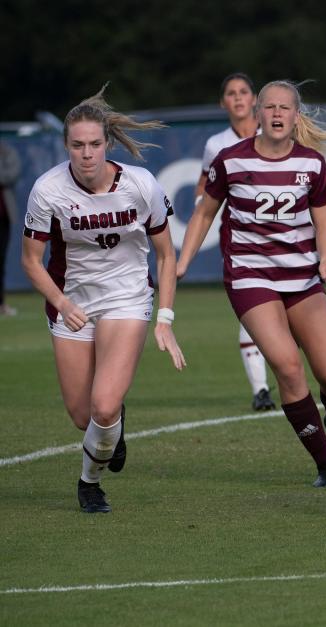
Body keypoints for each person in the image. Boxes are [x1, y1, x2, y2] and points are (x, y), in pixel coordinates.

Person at [177, 79, 326, 488]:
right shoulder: (230, 160)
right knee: (288, 367)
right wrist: (182, 261)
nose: (277, 114)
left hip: (302, 277)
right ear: (257, 114)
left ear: (296, 116)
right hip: (250, 277)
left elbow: (325, 225)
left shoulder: (312, 164)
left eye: (285, 108)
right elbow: (204, 214)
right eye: (270, 107)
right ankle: (325, 465)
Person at [20, 86, 186, 513]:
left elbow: (167, 255)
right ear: (66, 146)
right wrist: (62, 302)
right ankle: (114, 423)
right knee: (83, 416)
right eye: (77, 145)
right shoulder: (48, 190)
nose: (87, 153)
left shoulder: (140, 185)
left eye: (94, 144)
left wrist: (164, 318)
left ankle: (89, 484)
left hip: (127, 299)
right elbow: (31, 262)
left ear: (107, 144)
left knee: (104, 404)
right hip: (72, 303)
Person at [192, 72, 275, 411]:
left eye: (244, 92)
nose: (239, 98)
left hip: (284, 235)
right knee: (251, 310)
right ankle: (261, 390)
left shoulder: (274, 130)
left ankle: (293, 378)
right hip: (240, 237)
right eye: (231, 93)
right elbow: (203, 191)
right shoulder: (217, 144)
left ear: (254, 98)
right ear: (222, 102)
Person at [0, 140, 22, 316]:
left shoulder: (7, 151)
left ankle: (1, 304)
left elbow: (11, 174)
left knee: (1, 262)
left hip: (3, 218)